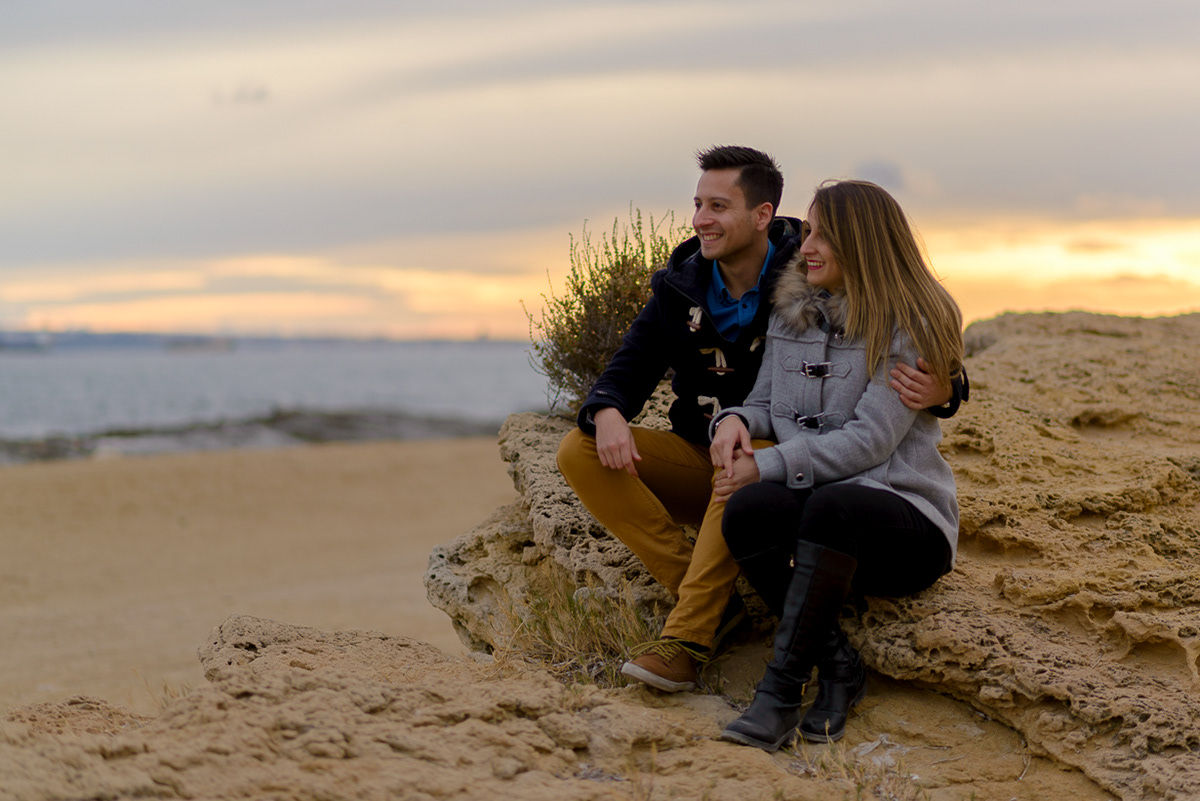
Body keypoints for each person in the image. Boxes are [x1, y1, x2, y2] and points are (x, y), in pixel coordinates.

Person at [556, 149, 964, 694]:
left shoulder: (804, 270)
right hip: (714, 440)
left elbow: (912, 347)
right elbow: (632, 362)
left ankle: (687, 638)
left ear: (763, 214)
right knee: (577, 451)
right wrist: (607, 411)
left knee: (750, 459)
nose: (701, 218)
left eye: (719, 205)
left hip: (783, 457)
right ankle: (709, 598)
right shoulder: (681, 285)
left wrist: (947, 387)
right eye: (698, 204)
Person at [709, 179, 964, 751]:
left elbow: (870, 443)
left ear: (864, 242)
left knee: (827, 503)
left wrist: (771, 466)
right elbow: (764, 405)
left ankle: (778, 693)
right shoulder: (792, 311)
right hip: (824, 516)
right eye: (807, 232)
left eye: (824, 235)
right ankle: (839, 666)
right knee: (748, 510)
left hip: (904, 523)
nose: (807, 247)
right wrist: (733, 423)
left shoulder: (913, 320)